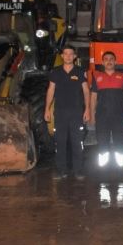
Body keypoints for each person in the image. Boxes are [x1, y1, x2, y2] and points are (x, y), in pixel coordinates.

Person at [45, 45, 90, 180]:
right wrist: (47, 108)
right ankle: (61, 170)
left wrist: (87, 109)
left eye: (71, 54)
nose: (68, 56)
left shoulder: (80, 71)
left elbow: (86, 91)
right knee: (60, 142)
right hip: (60, 112)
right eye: (66, 54)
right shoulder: (55, 72)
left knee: (77, 142)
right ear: (62, 56)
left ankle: (78, 170)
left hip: (76, 112)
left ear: (75, 56)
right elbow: (51, 91)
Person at [90, 51, 123, 168]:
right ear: (103, 62)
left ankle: (121, 167)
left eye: (111, 59)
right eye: (106, 59)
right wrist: (92, 114)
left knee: (120, 140)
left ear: (115, 62)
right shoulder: (96, 76)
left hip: (119, 115)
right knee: (102, 140)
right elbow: (93, 97)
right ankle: (103, 168)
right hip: (101, 116)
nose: (109, 61)